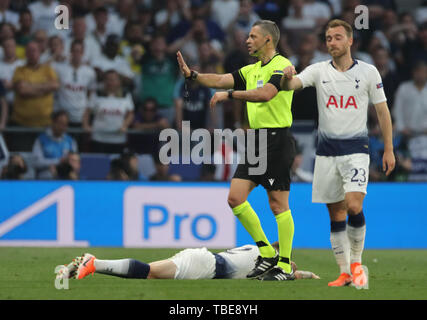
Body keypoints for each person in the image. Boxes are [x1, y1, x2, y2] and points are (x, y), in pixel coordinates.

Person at [177, 20, 297, 281]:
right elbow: (221, 79)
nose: (247, 40)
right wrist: (193, 75)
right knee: (235, 197)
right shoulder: (252, 69)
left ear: (268, 40)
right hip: (256, 141)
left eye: (253, 36)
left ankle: (285, 265)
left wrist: (229, 95)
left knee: (278, 204)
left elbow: (266, 94)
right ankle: (267, 253)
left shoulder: (281, 66)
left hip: (276, 140)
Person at [280, 19, 395, 287]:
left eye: (338, 37)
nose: (332, 42)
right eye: (329, 38)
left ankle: (356, 264)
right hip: (326, 153)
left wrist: (388, 148)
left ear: (350, 41)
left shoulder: (368, 72)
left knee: (354, 205)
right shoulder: (319, 70)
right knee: (335, 215)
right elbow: (292, 85)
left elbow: (382, 112)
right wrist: (286, 75)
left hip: (356, 150)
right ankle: (344, 272)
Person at [56, 242, 320, 281]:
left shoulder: (254, 247)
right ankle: (94, 263)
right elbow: (289, 273)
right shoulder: (267, 261)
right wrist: (306, 274)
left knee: (150, 273)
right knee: (149, 272)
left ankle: (95, 263)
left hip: (203, 258)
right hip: (205, 265)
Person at [82, 69, 134, 154]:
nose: (110, 82)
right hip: (98, 138)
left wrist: (125, 125)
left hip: (118, 139)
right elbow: (87, 111)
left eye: (113, 79)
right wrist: (86, 125)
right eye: (108, 79)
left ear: (118, 81)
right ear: (104, 81)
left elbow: (130, 114)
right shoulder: (97, 94)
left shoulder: (125, 95)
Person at [32, 110, 78, 179]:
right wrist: (58, 161)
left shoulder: (70, 141)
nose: (63, 127)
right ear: (53, 122)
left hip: (66, 174)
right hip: (46, 173)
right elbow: (36, 162)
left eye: (65, 124)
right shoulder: (41, 140)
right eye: (60, 123)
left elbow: (76, 161)